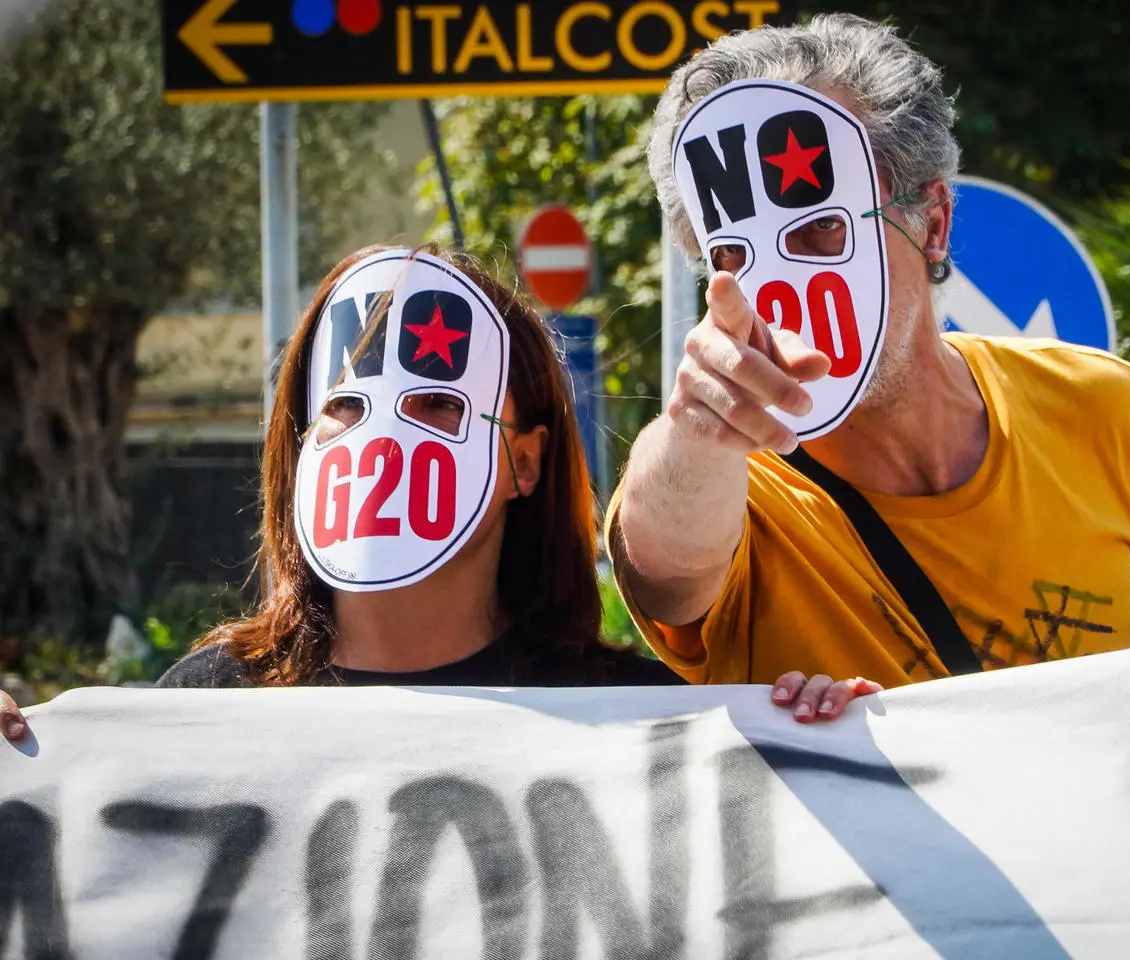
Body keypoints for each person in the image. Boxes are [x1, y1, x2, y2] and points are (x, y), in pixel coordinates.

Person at [607, 13, 1130, 688]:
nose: (780, 280)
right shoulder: (725, 478)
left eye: (823, 229)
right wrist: (699, 429)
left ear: (934, 223)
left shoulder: (1098, 408)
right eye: (733, 254)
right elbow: (670, 569)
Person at [1, 245, 877, 743]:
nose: (384, 438)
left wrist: (824, 747)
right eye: (344, 407)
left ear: (524, 463)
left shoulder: (634, 714)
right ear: (300, 447)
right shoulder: (205, 708)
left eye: (434, 404)